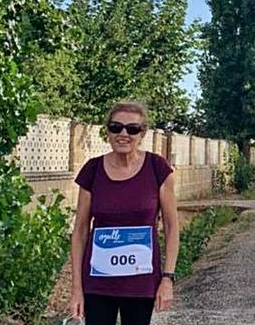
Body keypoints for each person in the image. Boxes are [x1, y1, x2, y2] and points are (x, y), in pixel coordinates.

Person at [68, 102, 180, 325]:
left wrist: (167, 278)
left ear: (142, 134)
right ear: (107, 130)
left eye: (132, 129)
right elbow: (80, 230)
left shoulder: (157, 168)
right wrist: (76, 288)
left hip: (141, 282)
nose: (123, 134)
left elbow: (171, 227)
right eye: (116, 127)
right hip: (98, 282)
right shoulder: (93, 169)